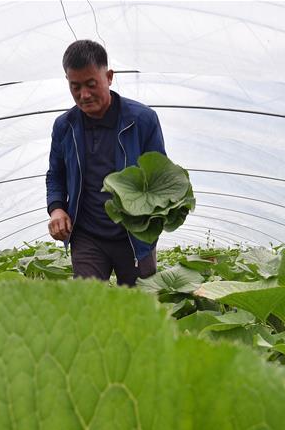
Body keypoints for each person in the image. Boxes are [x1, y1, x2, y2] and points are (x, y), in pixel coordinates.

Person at [46, 40, 165, 287]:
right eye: (75, 87)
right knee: (89, 306)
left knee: (139, 310)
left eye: (91, 84)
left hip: (134, 235)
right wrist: (56, 208)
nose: (84, 95)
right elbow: (55, 174)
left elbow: (161, 178)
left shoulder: (142, 120)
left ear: (109, 77)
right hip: (88, 235)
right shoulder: (64, 126)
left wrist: (146, 218)